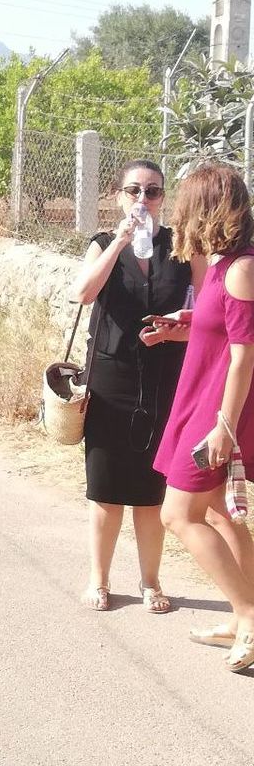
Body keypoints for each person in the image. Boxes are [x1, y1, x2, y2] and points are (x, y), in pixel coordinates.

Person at [69, 159, 204, 614]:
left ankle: (150, 581)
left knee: (153, 486)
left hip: (166, 377)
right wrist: (121, 241)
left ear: (164, 198)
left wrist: (172, 331)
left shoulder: (184, 248)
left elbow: (206, 318)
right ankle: (99, 580)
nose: (142, 200)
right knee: (106, 485)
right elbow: (84, 292)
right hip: (111, 374)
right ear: (117, 196)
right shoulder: (104, 243)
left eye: (152, 192)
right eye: (133, 191)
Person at [153, 163, 254, 672]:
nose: (178, 212)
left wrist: (225, 427)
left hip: (217, 410)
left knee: (178, 514)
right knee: (216, 511)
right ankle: (243, 620)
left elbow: (244, 355)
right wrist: (183, 324)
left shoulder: (241, 267)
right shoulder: (223, 263)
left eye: (186, 202)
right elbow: (220, 326)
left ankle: (249, 616)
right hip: (201, 400)